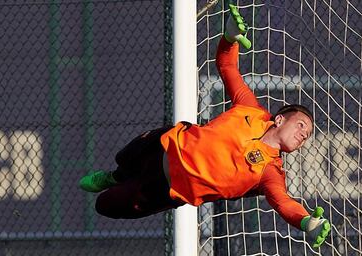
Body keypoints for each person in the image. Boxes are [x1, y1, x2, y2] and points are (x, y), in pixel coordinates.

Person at [79, 4, 331, 248]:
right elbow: (227, 66)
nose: (303, 135)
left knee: (104, 206)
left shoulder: (270, 172)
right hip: (164, 145)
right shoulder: (251, 109)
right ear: (279, 119)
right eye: (300, 125)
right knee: (124, 159)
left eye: (307, 135)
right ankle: (113, 176)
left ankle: (116, 183)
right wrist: (230, 38)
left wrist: (306, 221)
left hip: (165, 189)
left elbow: (283, 204)